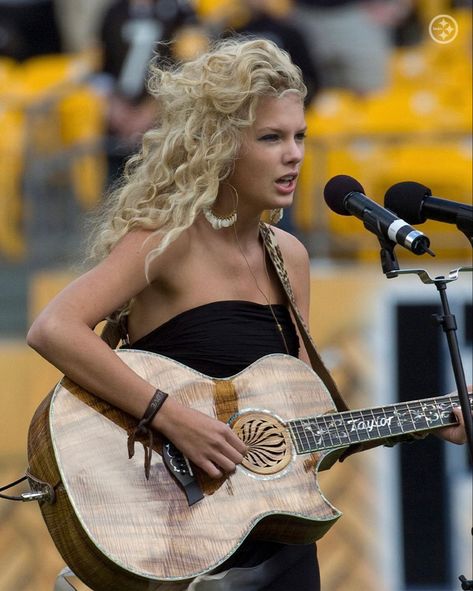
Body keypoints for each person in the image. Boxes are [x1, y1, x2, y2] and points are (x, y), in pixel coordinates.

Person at [27, 37, 469, 590]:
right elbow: (54, 328)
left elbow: (299, 433)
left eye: (300, 136)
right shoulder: (167, 241)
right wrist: (173, 418)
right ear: (218, 146)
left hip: (276, 545)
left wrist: (425, 422)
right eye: (271, 138)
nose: (294, 154)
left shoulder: (291, 257)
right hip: (183, 543)